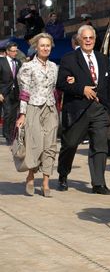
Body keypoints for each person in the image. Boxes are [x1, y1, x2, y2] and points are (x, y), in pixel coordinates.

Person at [56, 24, 110, 195]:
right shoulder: (69, 59)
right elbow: (61, 83)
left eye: (91, 38)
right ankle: (63, 174)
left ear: (95, 40)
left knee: (100, 146)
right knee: (70, 144)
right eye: (85, 38)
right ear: (79, 40)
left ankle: (98, 183)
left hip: (100, 110)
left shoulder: (103, 59)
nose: (88, 41)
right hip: (78, 110)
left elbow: (108, 86)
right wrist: (82, 89)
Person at [15, 33, 59, 197]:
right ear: (36, 47)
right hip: (33, 108)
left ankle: (46, 182)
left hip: (50, 109)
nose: (45, 48)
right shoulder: (28, 67)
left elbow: (55, 89)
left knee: (50, 146)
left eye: (48, 45)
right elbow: (24, 93)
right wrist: (22, 114)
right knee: (35, 145)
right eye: (42, 45)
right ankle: (31, 176)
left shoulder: (54, 67)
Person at [0, 42, 22, 145]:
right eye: (13, 51)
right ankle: (7, 134)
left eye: (16, 51)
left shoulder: (18, 62)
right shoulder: (1, 61)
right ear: (7, 52)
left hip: (15, 92)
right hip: (5, 92)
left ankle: (12, 135)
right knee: (8, 112)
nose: (15, 53)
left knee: (14, 114)